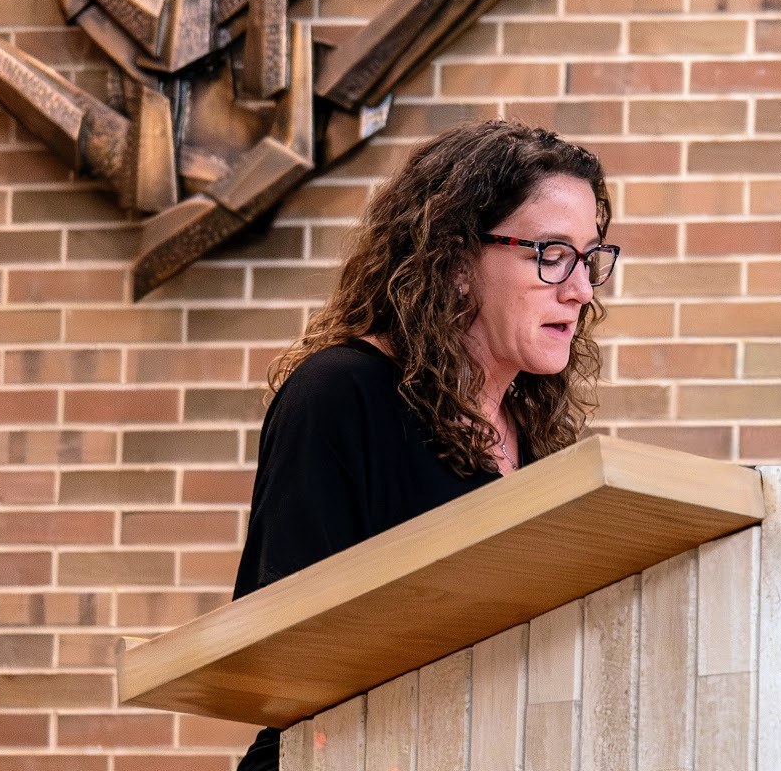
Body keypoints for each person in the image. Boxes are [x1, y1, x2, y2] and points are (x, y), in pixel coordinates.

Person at [231, 119, 618, 770]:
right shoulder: (340, 393)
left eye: (588, 258)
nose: (579, 288)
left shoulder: (535, 435)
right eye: (551, 253)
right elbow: (282, 650)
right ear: (457, 260)